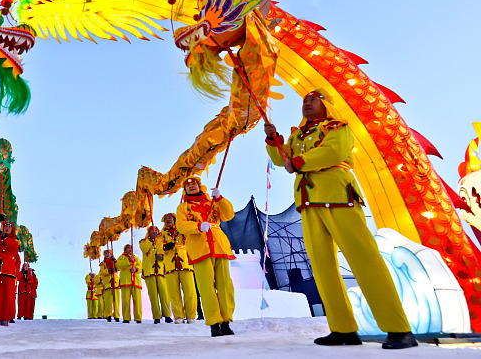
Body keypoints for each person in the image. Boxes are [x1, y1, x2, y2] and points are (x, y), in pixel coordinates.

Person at [265, 89, 417, 349]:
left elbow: (334, 152)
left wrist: (299, 162)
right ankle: (343, 329)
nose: (307, 104)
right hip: (309, 203)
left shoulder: (338, 126)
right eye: (304, 101)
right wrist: (273, 140)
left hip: (338, 196)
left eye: (313, 100)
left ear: (326, 105)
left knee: (364, 259)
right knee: (322, 268)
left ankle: (398, 329)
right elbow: (283, 160)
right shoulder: (296, 135)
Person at [176, 176, 237, 337]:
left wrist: (220, 198)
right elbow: (181, 226)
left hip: (219, 244)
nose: (191, 186)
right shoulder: (183, 207)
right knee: (206, 287)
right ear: (184, 190)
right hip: (199, 247)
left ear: (199, 185)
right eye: (187, 185)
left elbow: (228, 215)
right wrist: (197, 226)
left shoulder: (213, 202)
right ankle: (214, 323)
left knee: (225, 284)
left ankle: (226, 322)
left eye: (193, 183)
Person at [161, 213, 197, 324]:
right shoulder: (161, 234)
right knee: (174, 293)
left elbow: (190, 235)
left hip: (185, 263)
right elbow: (158, 245)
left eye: (170, 218)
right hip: (170, 265)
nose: (168, 220)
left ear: (174, 219)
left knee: (190, 291)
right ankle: (178, 316)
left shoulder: (181, 230)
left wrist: (184, 225)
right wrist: (164, 247)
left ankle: (191, 315)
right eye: (166, 218)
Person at [139, 225, 172, 324]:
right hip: (149, 271)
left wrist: (161, 256)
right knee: (153, 295)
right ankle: (156, 317)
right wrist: (151, 241)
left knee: (164, 294)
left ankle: (167, 315)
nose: (154, 232)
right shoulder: (143, 241)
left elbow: (163, 253)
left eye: (156, 230)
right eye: (152, 230)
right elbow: (145, 249)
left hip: (161, 270)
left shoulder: (161, 241)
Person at [116, 244, 142, 323]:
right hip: (125, 281)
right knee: (126, 301)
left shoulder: (136, 258)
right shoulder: (121, 257)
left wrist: (136, 269)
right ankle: (126, 318)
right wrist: (128, 261)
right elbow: (119, 266)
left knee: (137, 301)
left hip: (136, 282)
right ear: (125, 249)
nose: (130, 249)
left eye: (131, 248)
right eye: (128, 248)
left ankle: (138, 318)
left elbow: (141, 267)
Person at [99, 249, 120, 322]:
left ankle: (116, 315)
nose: (107, 254)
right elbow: (102, 272)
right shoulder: (102, 263)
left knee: (116, 301)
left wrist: (115, 261)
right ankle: (108, 315)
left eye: (109, 253)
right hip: (108, 283)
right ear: (104, 255)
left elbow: (119, 268)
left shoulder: (114, 262)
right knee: (108, 301)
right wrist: (109, 271)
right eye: (106, 253)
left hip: (116, 283)